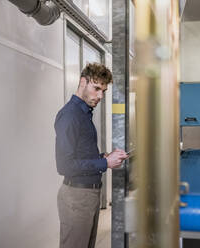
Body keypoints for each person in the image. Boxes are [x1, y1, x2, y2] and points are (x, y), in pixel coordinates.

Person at [55, 63, 128, 248]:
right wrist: (104, 163)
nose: (100, 96)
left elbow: (81, 154)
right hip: (77, 197)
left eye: (103, 90)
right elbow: (64, 165)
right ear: (82, 82)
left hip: (89, 195)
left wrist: (105, 157)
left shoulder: (84, 114)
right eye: (96, 88)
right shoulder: (70, 115)